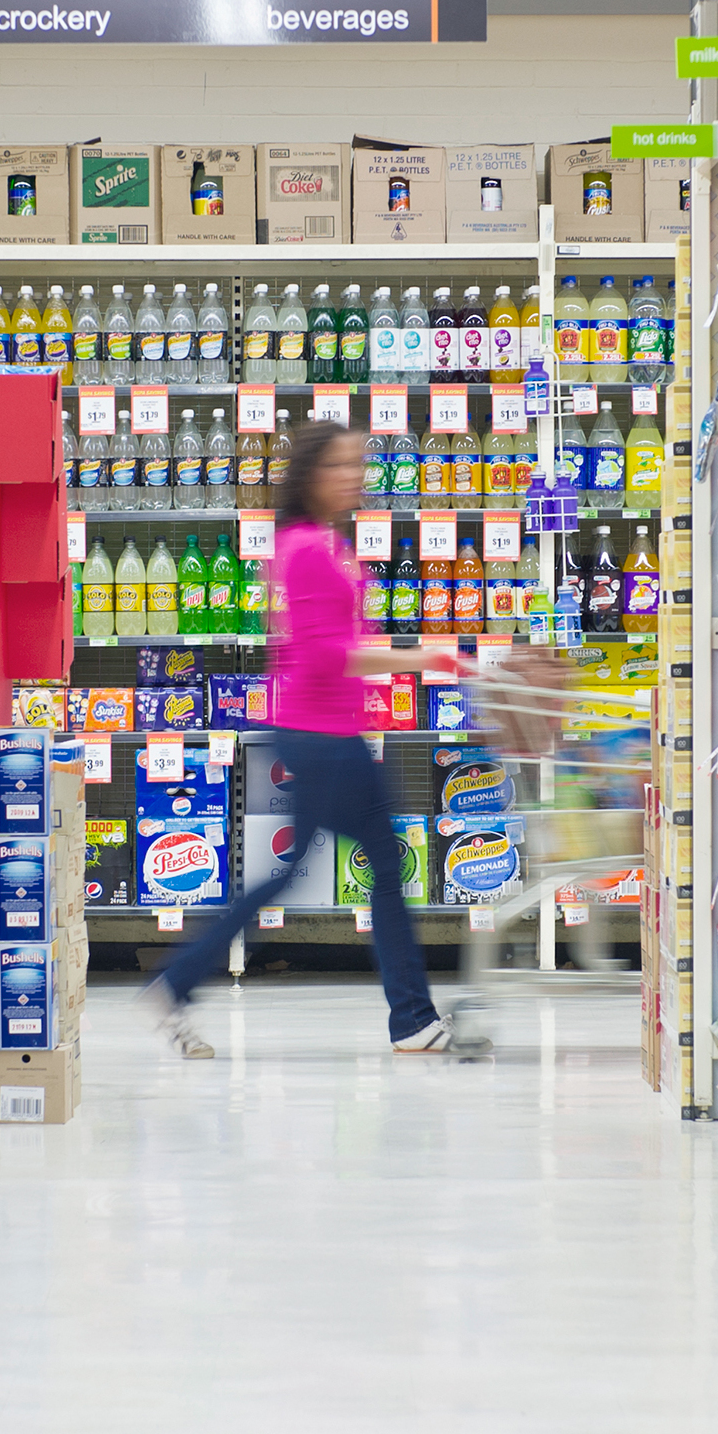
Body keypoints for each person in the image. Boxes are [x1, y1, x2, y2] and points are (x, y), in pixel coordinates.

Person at [146, 420, 473, 1058]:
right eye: (342, 466)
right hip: (323, 734)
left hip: (320, 729)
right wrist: (421, 658)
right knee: (376, 869)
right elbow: (330, 656)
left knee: (319, 872)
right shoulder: (309, 550)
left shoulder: (311, 542)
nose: (355, 477)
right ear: (311, 476)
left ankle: (179, 981)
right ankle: (411, 1018)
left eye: (359, 465)